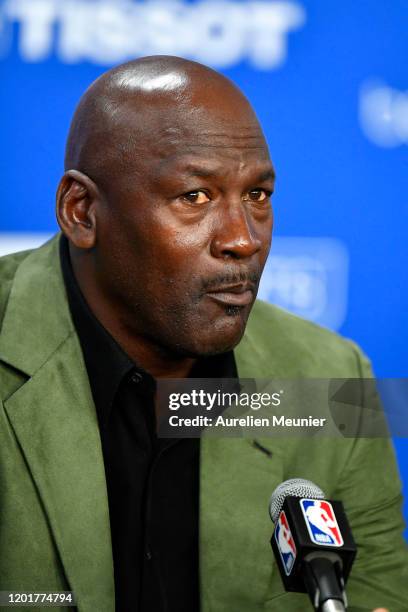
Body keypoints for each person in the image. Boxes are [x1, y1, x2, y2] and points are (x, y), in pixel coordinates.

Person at [0, 56, 406, 612]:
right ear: (82, 211)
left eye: (258, 196)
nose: (242, 239)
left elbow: (376, 595)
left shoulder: (335, 378)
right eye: (196, 197)